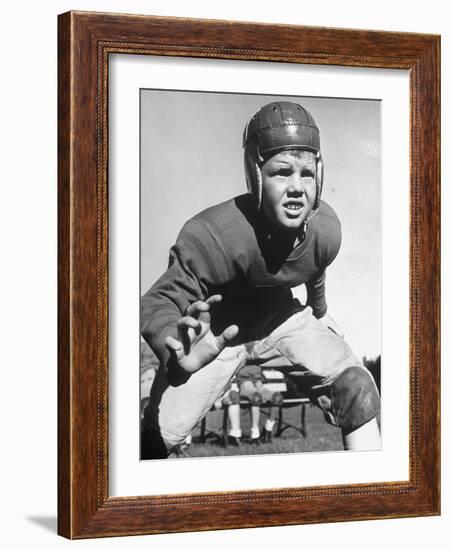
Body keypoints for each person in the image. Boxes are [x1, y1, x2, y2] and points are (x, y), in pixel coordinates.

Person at [140, 100, 381, 459]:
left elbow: (314, 269)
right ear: (255, 175)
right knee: (154, 442)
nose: (297, 187)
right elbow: (157, 301)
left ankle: (370, 504)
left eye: (307, 174)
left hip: (280, 316)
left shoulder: (326, 229)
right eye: (282, 172)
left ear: (321, 174)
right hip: (221, 331)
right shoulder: (214, 235)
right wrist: (172, 344)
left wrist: (319, 309)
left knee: (357, 389)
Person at [220, 364, 284, 445]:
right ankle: (255, 435)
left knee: (277, 398)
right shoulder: (241, 355)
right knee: (256, 398)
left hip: (258, 383)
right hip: (245, 384)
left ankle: (267, 430)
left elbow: (259, 381)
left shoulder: (258, 355)